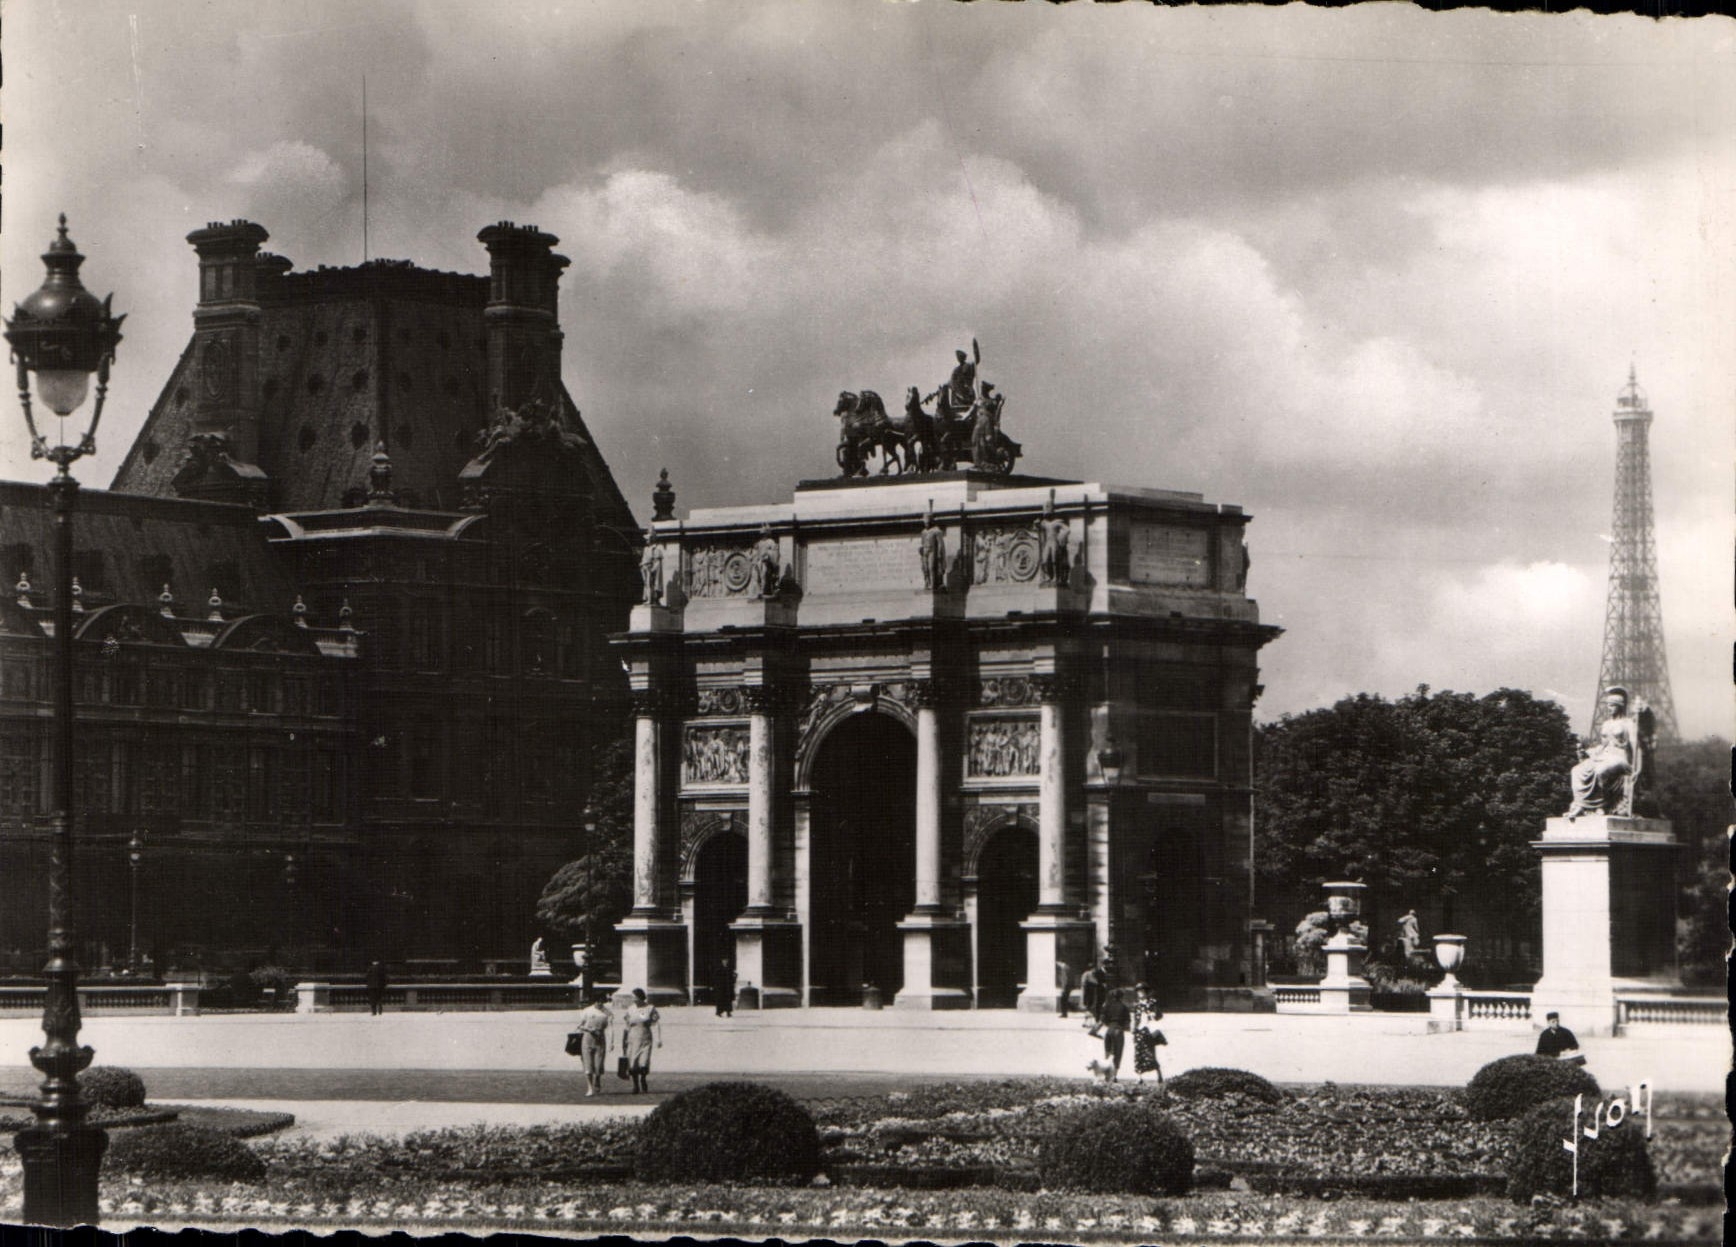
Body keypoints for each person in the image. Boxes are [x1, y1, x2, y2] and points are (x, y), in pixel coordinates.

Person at [1566, 687, 1648, 819]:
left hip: (1620, 758)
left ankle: (1600, 806)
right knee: (1576, 770)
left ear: (1620, 706)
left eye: (1612, 705)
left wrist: (1638, 769)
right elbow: (1602, 746)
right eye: (1607, 705)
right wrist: (1587, 751)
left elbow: (1636, 747)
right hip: (1604, 756)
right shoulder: (1605, 724)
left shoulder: (1628, 723)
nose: (1608, 708)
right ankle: (1581, 805)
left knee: (1600, 771)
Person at [620, 987, 663, 1094]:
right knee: (633, 1063)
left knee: (644, 1062)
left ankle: (643, 1078)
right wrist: (624, 1039)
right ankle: (635, 1085)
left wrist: (659, 1039)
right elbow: (626, 1026)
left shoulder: (650, 1008)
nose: (633, 999)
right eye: (632, 997)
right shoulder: (630, 1009)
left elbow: (656, 1023)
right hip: (633, 1038)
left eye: (635, 997)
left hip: (645, 1037)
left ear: (640, 997)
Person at [574, 992, 613, 1096]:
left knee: (598, 1064)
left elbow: (610, 1028)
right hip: (587, 1039)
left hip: (600, 1040)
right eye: (597, 1001)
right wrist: (590, 1029)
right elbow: (579, 1026)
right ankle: (590, 1087)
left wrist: (611, 1042)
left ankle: (598, 1079)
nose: (599, 1003)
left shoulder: (607, 1012)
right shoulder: (587, 1011)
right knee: (588, 1064)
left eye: (601, 1001)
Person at [1131, 982, 1166, 1083]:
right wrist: (1133, 1028)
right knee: (1138, 1054)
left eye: (1141, 991)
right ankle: (1139, 1077)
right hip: (1139, 1031)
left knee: (1150, 1053)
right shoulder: (1136, 1004)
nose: (1140, 993)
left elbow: (1159, 1015)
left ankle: (1159, 1075)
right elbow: (1134, 1018)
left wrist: (1152, 1015)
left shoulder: (1152, 1003)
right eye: (1138, 991)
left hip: (1149, 1031)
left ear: (1146, 992)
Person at [1099, 987, 1132, 1082]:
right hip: (1118, 1031)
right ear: (1122, 997)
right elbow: (1127, 1023)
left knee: (1107, 1053)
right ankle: (1114, 1076)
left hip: (1109, 1030)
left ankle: (1106, 1075)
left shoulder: (1107, 1006)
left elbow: (1103, 1020)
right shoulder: (1124, 1007)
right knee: (1118, 1054)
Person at [1079, 959, 1109, 1037]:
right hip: (1091, 993)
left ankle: (1089, 1022)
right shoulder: (1093, 973)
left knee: (1090, 1007)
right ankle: (1091, 1022)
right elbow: (1093, 982)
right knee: (1091, 1007)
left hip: (1090, 992)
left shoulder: (1088, 973)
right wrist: (1101, 984)